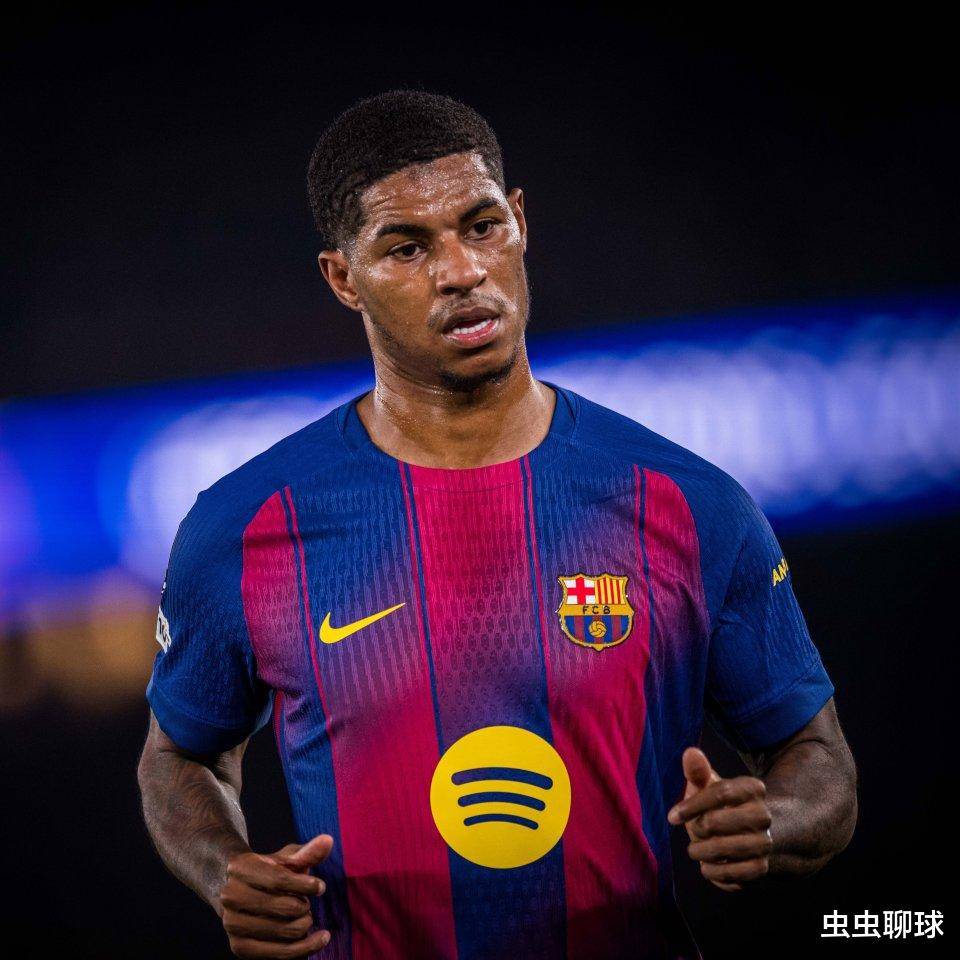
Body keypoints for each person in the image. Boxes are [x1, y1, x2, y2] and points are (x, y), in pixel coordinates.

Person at [137, 89, 857, 960]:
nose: (460, 271)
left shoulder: (688, 503)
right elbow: (180, 757)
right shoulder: (245, 526)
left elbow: (819, 760)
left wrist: (772, 820)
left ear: (519, 222)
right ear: (343, 278)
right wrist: (224, 871)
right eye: (407, 247)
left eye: (481, 227)